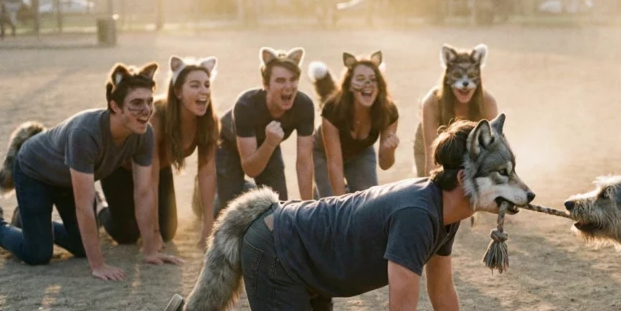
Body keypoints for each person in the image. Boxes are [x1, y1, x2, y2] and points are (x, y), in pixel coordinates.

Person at [103, 115, 536, 311]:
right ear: (466, 174)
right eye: (503, 176)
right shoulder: (417, 215)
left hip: (308, 267)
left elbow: (443, 293)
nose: (521, 190)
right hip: (279, 253)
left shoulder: (447, 213)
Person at [0, 63, 181, 280]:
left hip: (67, 179)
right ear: (115, 106)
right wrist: (98, 266)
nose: (146, 110)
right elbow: (84, 205)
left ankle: (26, 220)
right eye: (136, 103)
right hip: (34, 171)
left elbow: (144, 192)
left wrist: (151, 250)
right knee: (37, 254)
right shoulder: (85, 133)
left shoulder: (144, 132)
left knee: (79, 246)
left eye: (149, 102)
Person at [97, 56, 219, 249]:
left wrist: (208, 227)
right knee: (126, 235)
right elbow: (149, 179)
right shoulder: (158, 117)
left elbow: (207, 173)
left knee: (168, 231)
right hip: (120, 168)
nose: (203, 91)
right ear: (178, 91)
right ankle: (99, 206)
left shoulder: (208, 121)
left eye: (206, 85)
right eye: (195, 85)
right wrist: (153, 234)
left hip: (159, 169)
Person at [213, 47, 314, 216]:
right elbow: (250, 169)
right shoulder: (246, 105)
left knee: (276, 210)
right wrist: (269, 143)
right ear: (265, 84)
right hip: (228, 144)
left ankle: (246, 189)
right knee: (230, 214)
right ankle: (227, 191)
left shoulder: (304, 105)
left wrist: (309, 211)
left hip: (268, 145)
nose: (288, 86)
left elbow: (304, 162)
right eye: (280, 80)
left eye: (293, 79)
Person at [309, 51, 399, 198]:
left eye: (373, 79)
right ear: (349, 85)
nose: (367, 84)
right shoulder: (332, 109)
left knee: (368, 202)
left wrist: (390, 150)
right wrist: (340, 203)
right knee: (331, 204)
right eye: (360, 79)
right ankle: (320, 194)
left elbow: (385, 164)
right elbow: (335, 164)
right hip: (324, 154)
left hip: (361, 152)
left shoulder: (388, 111)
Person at [413, 44, 498, 178]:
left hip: (468, 147)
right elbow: (431, 161)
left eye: (471, 75)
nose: (465, 83)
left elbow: (493, 149)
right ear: (447, 77)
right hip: (432, 145)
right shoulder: (431, 102)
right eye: (457, 75)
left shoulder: (488, 103)